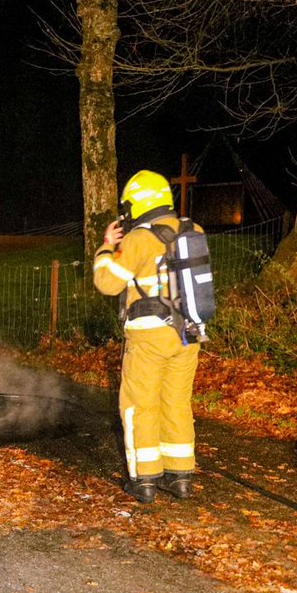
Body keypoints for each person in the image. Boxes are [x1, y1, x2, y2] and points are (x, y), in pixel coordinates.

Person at [93, 170, 203, 503]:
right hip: (188, 333)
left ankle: (144, 480)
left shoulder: (139, 238)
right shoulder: (192, 230)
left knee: (139, 405)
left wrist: (105, 248)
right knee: (176, 403)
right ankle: (180, 475)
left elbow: (108, 283)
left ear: (137, 203)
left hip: (149, 335)